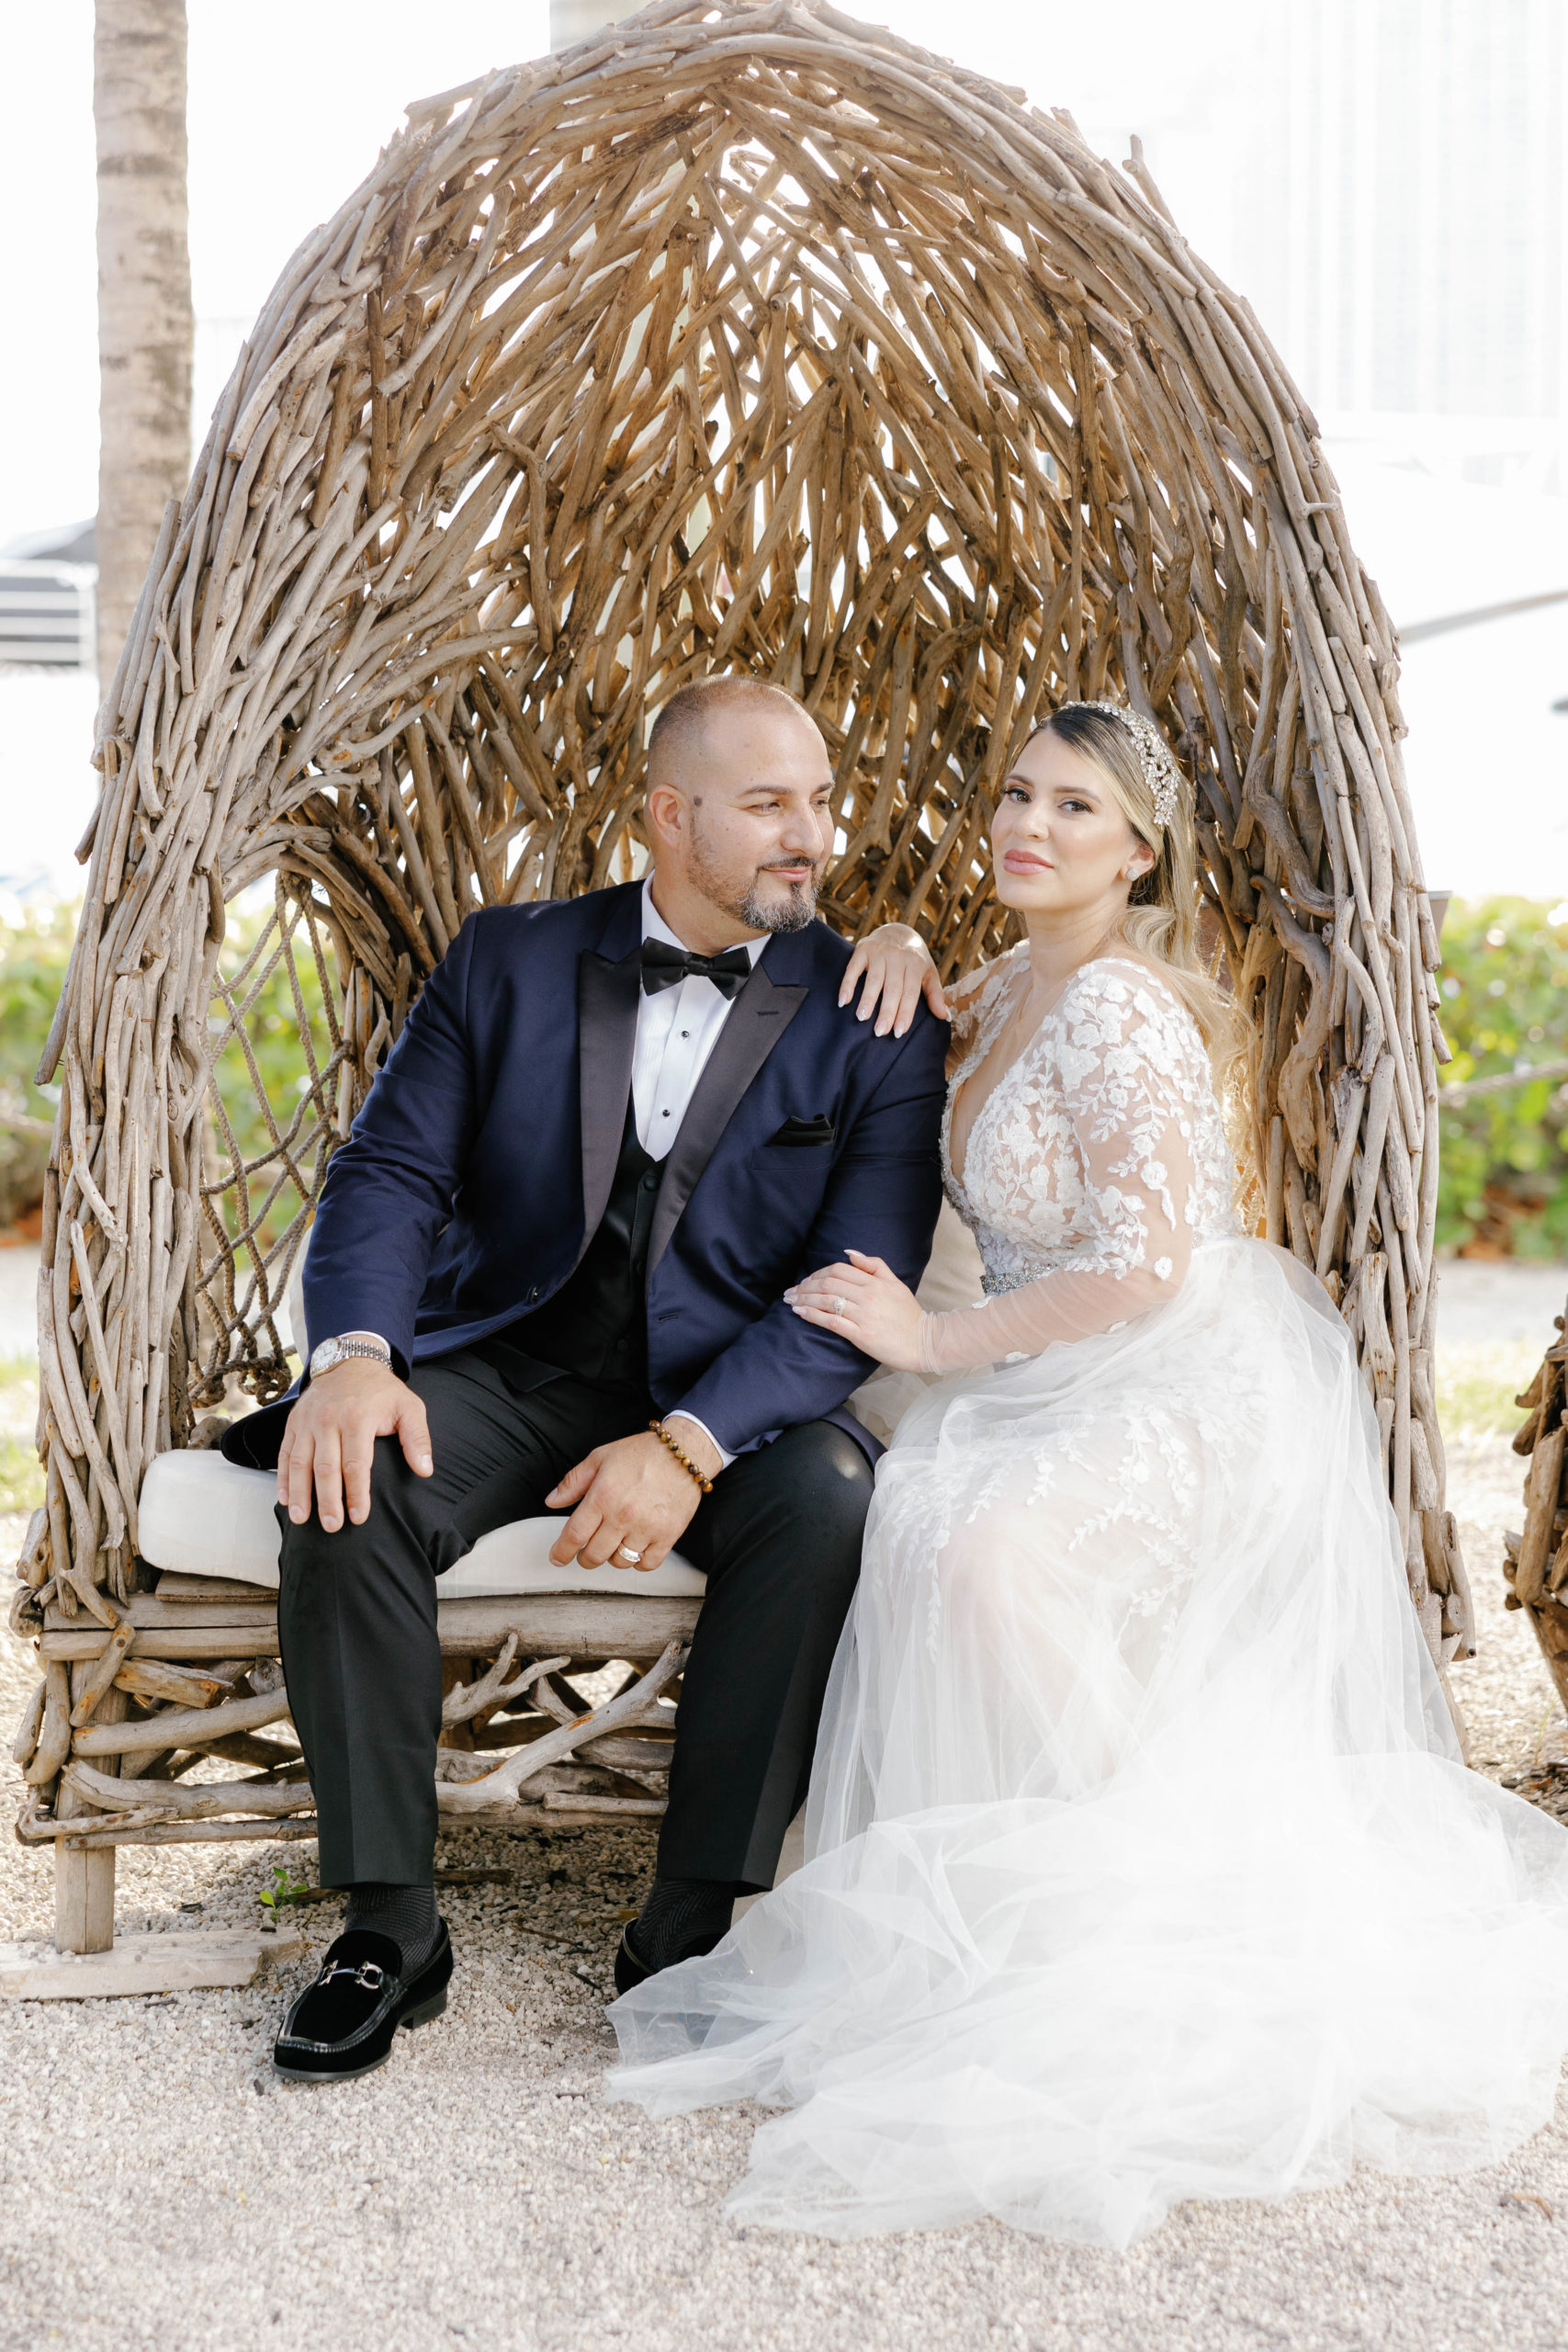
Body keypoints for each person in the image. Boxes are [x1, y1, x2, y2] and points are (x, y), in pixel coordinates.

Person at [605, 699, 1568, 2248]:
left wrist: (932, 1340)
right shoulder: (1003, 989)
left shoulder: (1118, 1008)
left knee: (982, 1557)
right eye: (1020, 794)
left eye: (1075, 811)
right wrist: (909, 935)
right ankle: (1030, 1914)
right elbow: (919, 1001)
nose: (1030, 827)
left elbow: (1147, 1264)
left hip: (1170, 1378)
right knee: (914, 1521)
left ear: (1137, 854)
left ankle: (1159, 1919)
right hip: (1041, 1376)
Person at [220, 675, 949, 2083]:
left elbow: (860, 1282)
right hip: (519, 1358)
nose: (813, 834)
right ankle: (387, 1924)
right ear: (672, 819)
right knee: (349, 1473)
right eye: (769, 805)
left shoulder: (876, 1014)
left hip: (740, 1393)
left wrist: (685, 1443)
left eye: (819, 799)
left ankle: (690, 1920)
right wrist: (357, 1357)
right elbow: (390, 1171)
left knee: (829, 1500)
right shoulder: (507, 959)